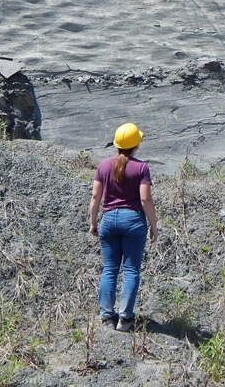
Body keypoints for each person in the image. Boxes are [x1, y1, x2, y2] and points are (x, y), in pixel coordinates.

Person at [89, 123, 158, 331]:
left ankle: (107, 316)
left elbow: (95, 197)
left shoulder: (102, 166)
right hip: (133, 221)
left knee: (109, 269)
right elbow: (145, 199)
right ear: (136, 146)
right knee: (130, 270)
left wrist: (93, 222)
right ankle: (125, 319)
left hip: (108, 220)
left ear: (116, 144)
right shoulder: (141, 167)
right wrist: (154, 226)